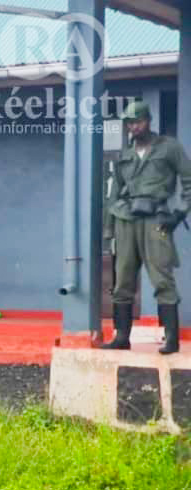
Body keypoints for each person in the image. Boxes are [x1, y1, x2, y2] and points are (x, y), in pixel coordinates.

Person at [102, 101, 191, 355]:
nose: (134, 127)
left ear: (148, 120)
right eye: (130, 123)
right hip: (126, 220)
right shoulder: (124, 155)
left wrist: (179, 213)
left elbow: (189, 181)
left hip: (156, 219)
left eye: (138, 121)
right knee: (123, 281)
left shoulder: (169, 147)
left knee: (162, 278)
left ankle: (171, 339)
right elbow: (114, 193)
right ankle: (121, 337)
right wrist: (109, 232)